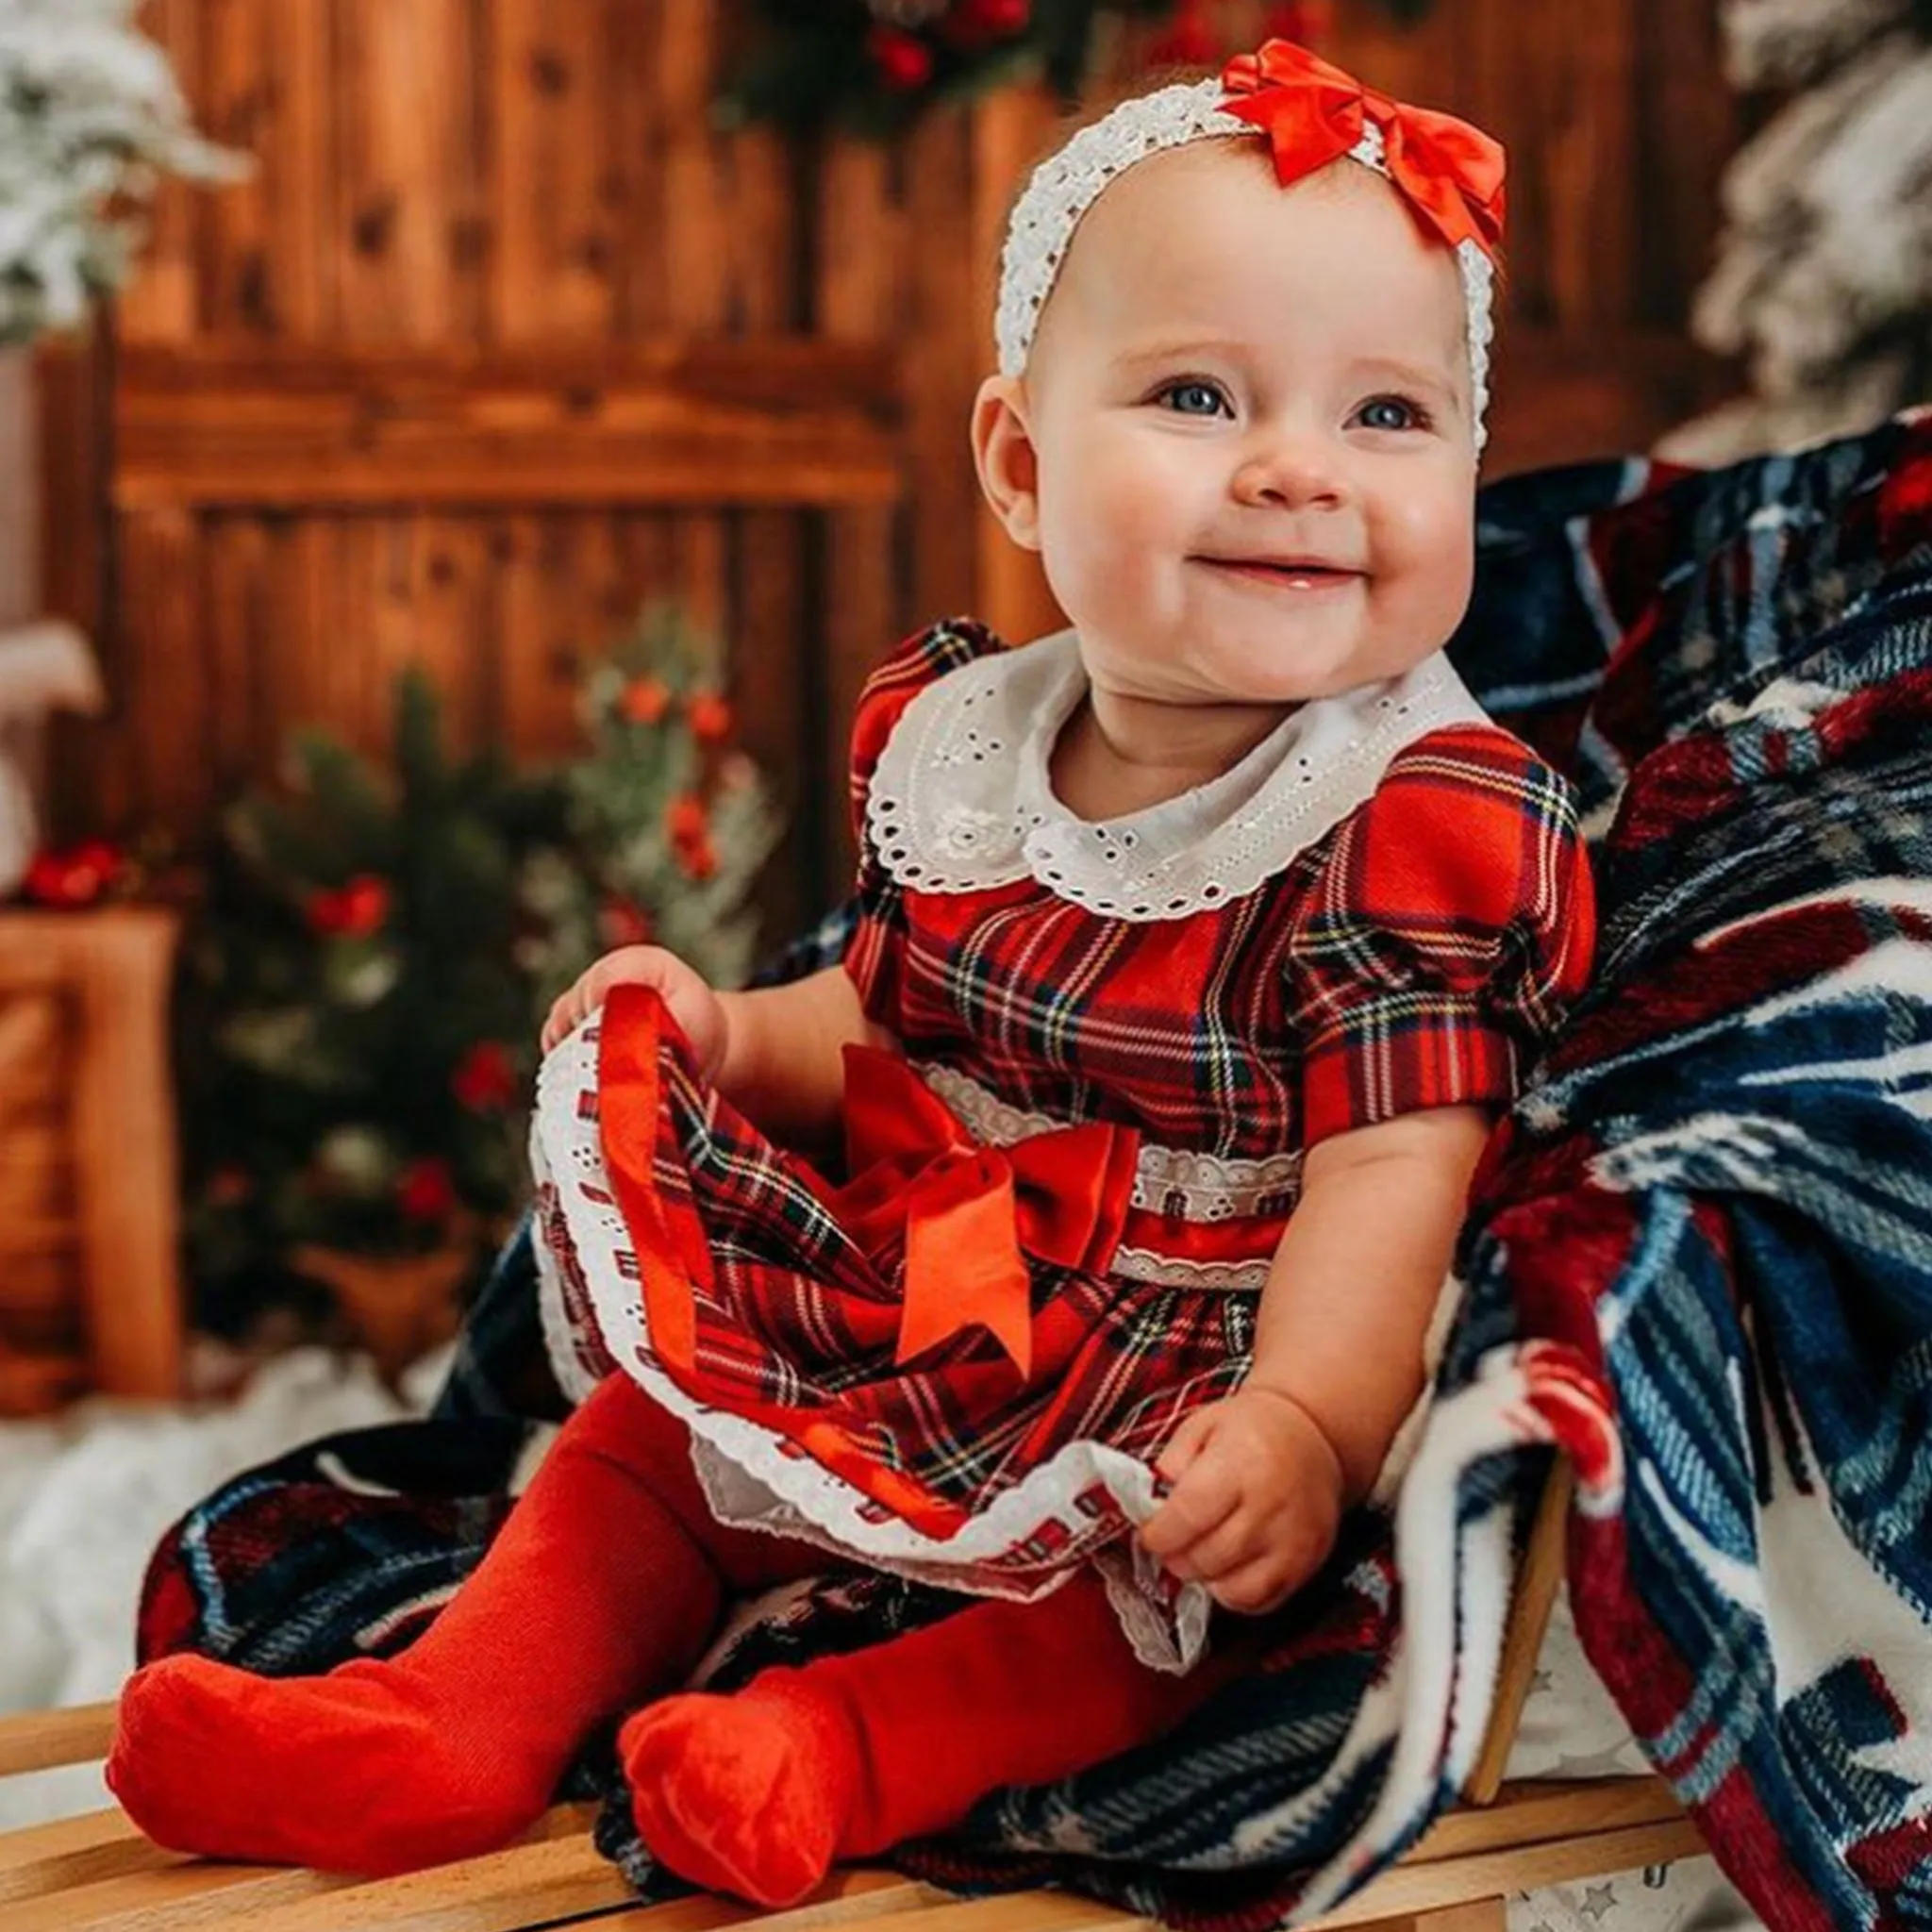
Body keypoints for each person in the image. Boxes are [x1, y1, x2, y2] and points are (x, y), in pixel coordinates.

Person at [107, 38, 1593, 1909]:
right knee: (647, 1439)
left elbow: (1395, 1173)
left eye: (1391, 415)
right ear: (1019, 464)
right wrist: (726, 1030)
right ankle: (446, 1717)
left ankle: (823, 1753)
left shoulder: (1416, 819)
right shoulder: (967, 737)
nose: (1298, 468)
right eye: (1201, 393)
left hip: (1193, 1354)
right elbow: (881, 1016)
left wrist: (1297, 1425)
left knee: (1116, 1615)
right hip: (932, 1265)